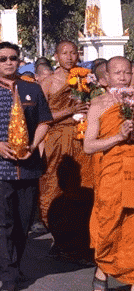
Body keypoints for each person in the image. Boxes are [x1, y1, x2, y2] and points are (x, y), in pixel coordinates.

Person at [0, 42, 52, 291]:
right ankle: (8, 276)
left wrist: (33, 145)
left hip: (27, 166)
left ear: (19, 60)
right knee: (1, 223)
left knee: (23, 221)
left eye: (12, 58)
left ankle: (15, 265)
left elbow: (44, 121)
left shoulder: (32, 89)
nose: (8, 63)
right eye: (2, 59)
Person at [39, 41, 94, 260]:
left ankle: (80, 239)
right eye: (65, 53)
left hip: (81, 139)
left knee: (81, 187)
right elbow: (42, 117)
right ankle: (58, 238)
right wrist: (68, 111)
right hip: (57, 138)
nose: (70, 57)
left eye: (73, 52)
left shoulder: (87, 79)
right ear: (56, 56)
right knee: (55, 186)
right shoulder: (49, 82)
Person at [84, 56, 134, 291]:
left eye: (127, 72)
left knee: (132, 226)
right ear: (107, 77)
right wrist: (118, 137)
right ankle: (102, 269)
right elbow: (88, 146)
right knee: (108, 224)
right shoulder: (100, 104)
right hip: (111, 174)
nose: (123, 77)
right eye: (118, 73)